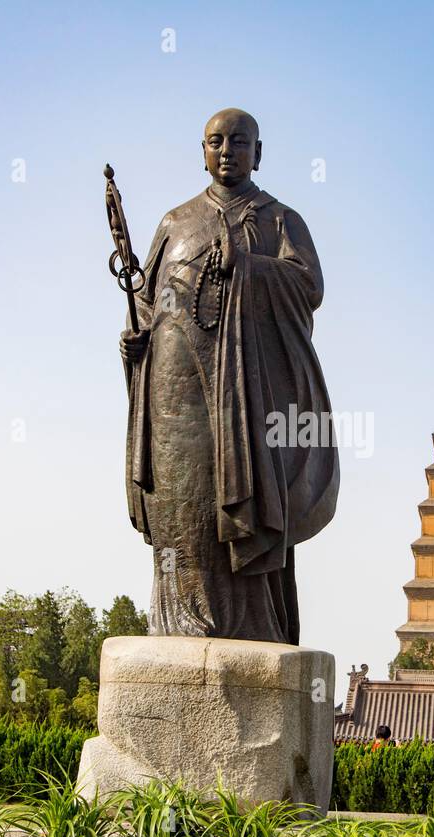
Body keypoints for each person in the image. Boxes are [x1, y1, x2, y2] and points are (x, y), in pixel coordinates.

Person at [118, 108, 339, 644]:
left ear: (257, 153)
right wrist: (134, 340)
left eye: (239, 142)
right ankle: (177, 623)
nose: (226, 151)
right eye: (215, 141)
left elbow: (308, 287)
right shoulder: (175, 221)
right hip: (174, 384)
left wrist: (246, 265)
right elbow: (145, 303)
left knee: (241, 496)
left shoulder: (279, 219)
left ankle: (251, 627)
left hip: (247, 386)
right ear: (201, 150)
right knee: (181, 495)